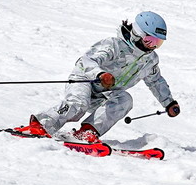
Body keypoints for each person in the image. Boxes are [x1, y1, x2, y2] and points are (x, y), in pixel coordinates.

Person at [15, 10, 180, 143]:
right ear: (137, 33)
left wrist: (169, 102)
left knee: (125, 99)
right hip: (85, 79)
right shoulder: (114, 45)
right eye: (149, 40)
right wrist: (100, 74)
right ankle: (41, 125)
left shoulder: (149, 60)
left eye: (158, 43)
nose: (153, 47)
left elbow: (156, 81)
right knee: (79, 103)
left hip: (106, 92)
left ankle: (87, 133)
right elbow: (86, 60)